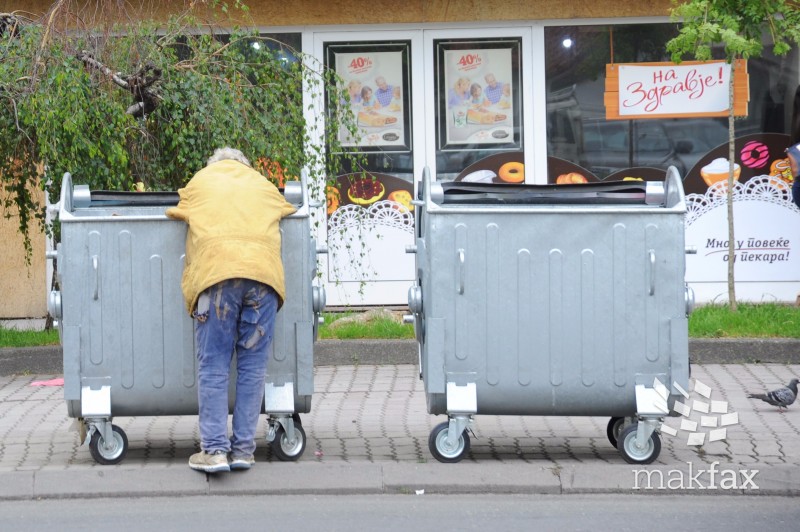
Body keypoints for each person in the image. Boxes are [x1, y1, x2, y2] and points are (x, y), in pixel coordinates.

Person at [166, 147, 297, 473]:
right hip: (263, 280)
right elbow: (289, 209)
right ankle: (242, 451)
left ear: (214, 165)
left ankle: (213, 451)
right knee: (252, 368)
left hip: (216, 279)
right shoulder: (263, 185)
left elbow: (175, 212)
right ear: (245, 167)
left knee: (214, 366)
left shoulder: (201, 181)